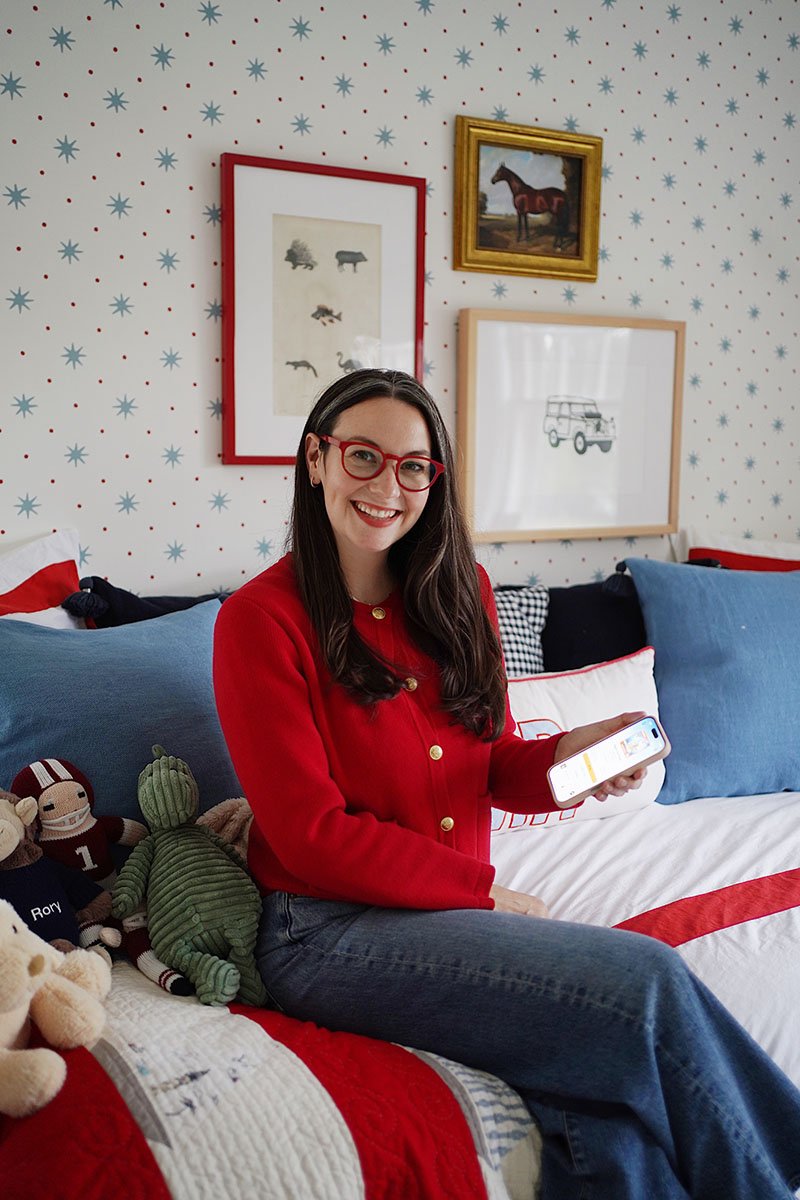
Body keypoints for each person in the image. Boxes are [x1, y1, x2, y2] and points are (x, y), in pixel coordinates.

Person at [213, 368, 800, 1200]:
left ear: (435, 480)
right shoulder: (260, 621)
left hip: (441, 914)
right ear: (317, 459)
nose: (389, 486)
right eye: (364, 457)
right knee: (644, 981)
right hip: (323, 931)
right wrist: (484, 894)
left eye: (414, 466)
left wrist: (574, 757)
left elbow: (488, 771)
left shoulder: (463, 594)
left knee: (614, 1121)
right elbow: (312, 834)